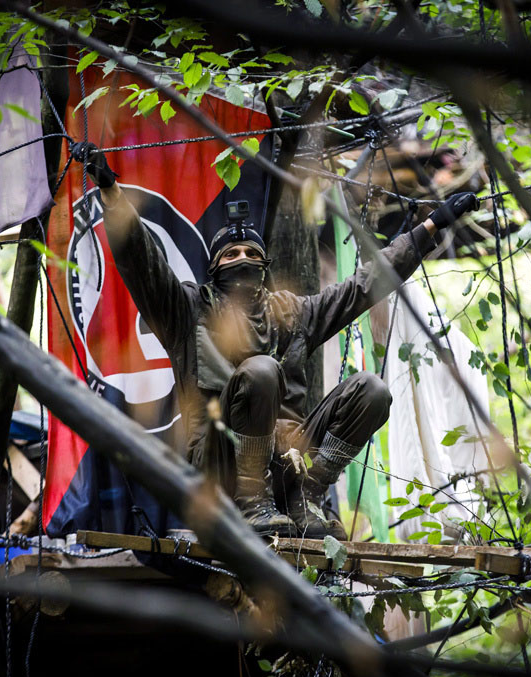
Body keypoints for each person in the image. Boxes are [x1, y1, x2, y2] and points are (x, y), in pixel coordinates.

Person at [70, 142, 478, 539]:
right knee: (262, 371)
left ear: (265, 265)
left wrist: (430, 226)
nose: (242, 259)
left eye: (251, 252)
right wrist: (112, 194)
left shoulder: (292, 313)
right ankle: (253, 501)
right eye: (230, 255)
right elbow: (143, 262)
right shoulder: (187, 309)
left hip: (289, 464)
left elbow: (365, 284)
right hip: (217, 466)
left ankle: (309, 493)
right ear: (213, 268)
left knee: (371, 390)